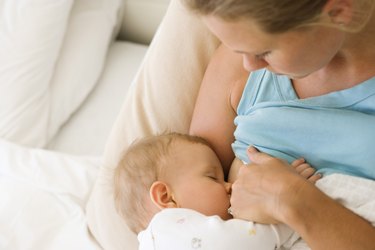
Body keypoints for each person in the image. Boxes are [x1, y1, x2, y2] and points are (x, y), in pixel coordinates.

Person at [185, 0, 375, 249]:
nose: (249, 66)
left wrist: (292, 199)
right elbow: (186, 205)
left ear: (338, 12)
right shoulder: (238, 68)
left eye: (264, 52)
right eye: (237, 49)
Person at [114, 132, 322, 250]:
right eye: (212, 177)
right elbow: (246, 241)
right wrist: (286, 199)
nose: (229, 186)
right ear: (166, 197)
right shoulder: (167, 229)